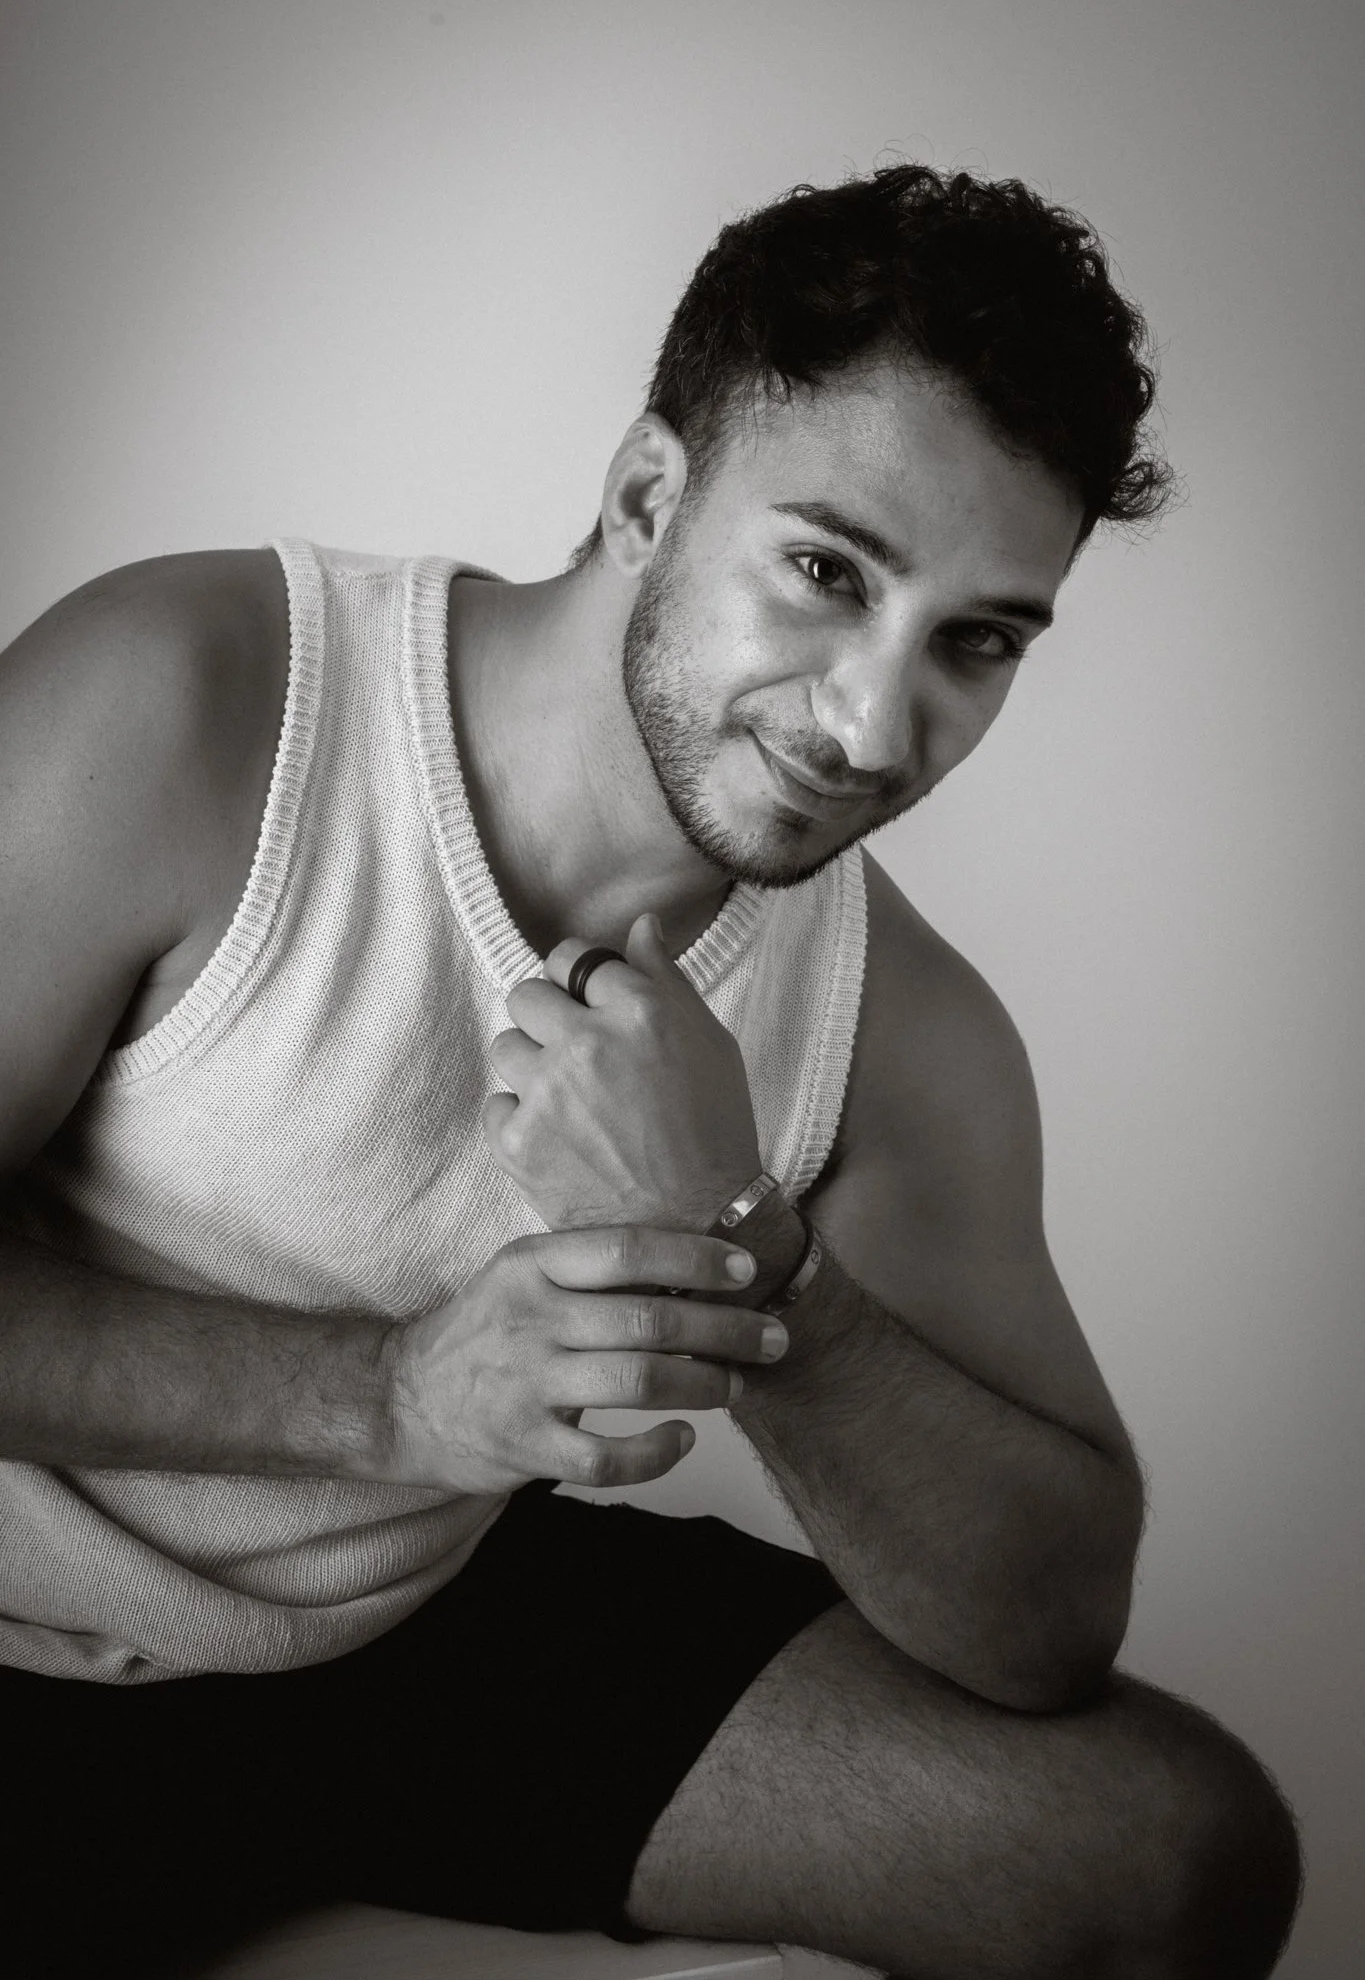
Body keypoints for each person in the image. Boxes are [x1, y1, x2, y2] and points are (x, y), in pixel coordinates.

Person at [0, 163, 1302, 1978]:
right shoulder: (199, 701)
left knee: (1180, 1853)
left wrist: (750, 1248)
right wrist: (388, 1399)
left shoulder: (902, 1026)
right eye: (828, 571)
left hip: (408, 1632)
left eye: (977, 642)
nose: (872, 722)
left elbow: (1049, 1621)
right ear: (643, 497)